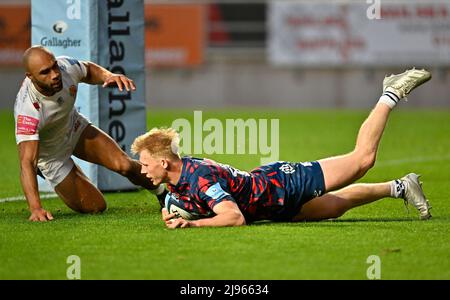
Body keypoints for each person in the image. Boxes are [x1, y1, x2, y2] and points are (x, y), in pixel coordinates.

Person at [131, 68, 432, 229]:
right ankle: (401, 187)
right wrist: (174, 214)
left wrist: (192, 225)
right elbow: (186, 200)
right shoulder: (179, 178)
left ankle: (391, 91)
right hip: (273, 204)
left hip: (285, 185)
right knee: (335, 206)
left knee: (362, 159)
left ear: (164, 163)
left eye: (145, 163)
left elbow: (233, 218)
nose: (142, 170)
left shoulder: (199, 179)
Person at [14, 45, 166, 222]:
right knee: (96, 207)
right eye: (45, 72)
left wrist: (108, 76)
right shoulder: (27, 111)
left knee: (123, 164)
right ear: (30, 77)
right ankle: (56, 172)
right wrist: (36, 208)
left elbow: (88, 69)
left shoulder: (65, 67)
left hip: (74, 128)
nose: (55, 74)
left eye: (54, 66)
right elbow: (27, 162)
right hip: (51, 156)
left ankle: (164, 194)